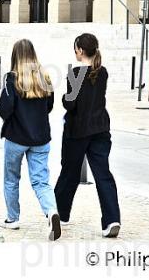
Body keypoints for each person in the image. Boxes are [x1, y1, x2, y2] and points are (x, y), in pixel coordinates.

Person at [54, 33, 121, 238]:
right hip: (100, 129)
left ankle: (59, 213)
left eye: (75, 48)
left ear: (81, 51)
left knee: (69, 172)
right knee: (103, 175)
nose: (74, 52)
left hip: (78, 130)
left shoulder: (75, 73)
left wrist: (66, 93)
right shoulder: (103, 73)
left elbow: (70, 103)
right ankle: (112, 220)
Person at [0, 39, 61, 240]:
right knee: (41, 181)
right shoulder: (45, 77)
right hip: (41, 138)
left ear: (15, 56)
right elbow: (49, 106)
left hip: (16, 137)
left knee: (11, 179)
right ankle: (51, 212)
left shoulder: (12, 79)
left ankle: (12, 219)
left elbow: (5, 109)